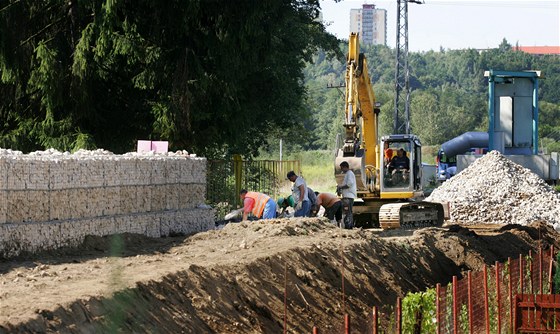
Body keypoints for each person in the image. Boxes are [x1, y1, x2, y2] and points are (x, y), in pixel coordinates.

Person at [337, 161, 357, 229]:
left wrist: (340, 187)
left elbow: (349, 184)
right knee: (348, 212)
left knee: (347, 212)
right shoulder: (348, 174)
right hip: (347, 196)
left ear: (345, 167)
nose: (342, 170)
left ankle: (348, 226)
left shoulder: (349, 174)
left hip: (348, 196)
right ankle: (349, 226)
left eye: (342, 168)